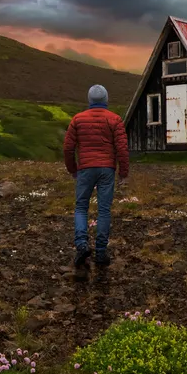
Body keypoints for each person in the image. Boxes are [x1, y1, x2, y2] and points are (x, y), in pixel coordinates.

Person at [63, 84, 129, 270]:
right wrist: (123, 173)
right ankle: (100, 253)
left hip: (85, 168)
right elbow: (122, 149)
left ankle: (82, 245)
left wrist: (72, 169)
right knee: (104, 210)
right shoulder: (115, 119)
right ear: (106, 99)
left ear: (89, 100)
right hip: (107, 169)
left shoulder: (78, 119)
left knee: (81, 207)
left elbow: (68, 148)